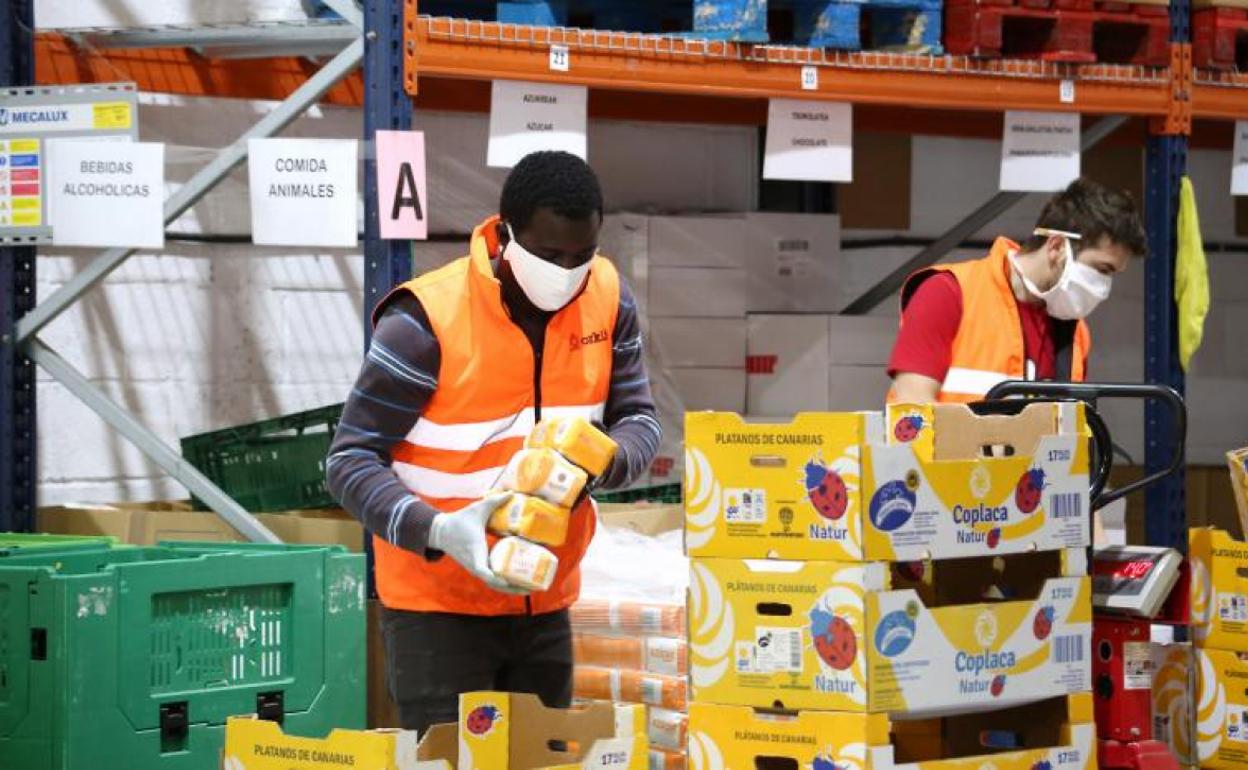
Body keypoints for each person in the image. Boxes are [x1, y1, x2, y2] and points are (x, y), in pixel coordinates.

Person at [327, 150, 661, 733]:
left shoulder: (608, 298)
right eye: (550, 255)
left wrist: (604, 463)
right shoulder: (425, 319)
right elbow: (349, 461)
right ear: (505, 236)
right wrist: (437, 530)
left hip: (545, 597)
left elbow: (639, 419)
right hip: (437, 608)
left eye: (582, 256)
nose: (567, 271)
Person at [887, 177, 1146, 404]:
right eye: (1101, 269)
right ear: (1056, 247)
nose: (1104, 288)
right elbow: (912, 405)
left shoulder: (1075, 333)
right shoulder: (947, 293)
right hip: (949, 461)